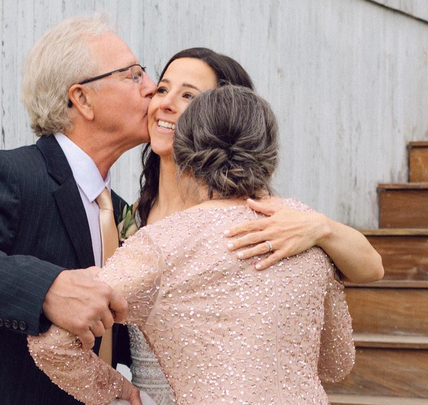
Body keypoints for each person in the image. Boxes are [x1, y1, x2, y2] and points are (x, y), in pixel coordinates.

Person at [28, 84, 355, 405]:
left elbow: (52, 344)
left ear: (184, 153)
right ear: (270, 154)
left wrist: (116, 391)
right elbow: (337, 363)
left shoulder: (161, 242)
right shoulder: (306, 228)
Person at [0, 16, 153, 404]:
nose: (151, 88)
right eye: (133, 75)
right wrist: (48, 289)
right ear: (82, 99)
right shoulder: (10, 174)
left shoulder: (123, 215)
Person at [126, 48, 384, 404]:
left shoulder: (259, 213)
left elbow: (372, 268)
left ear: (224, 116)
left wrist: (322, 228)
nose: (166, 104)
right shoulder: (131, 216)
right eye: (162, 89)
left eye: (188, 96)